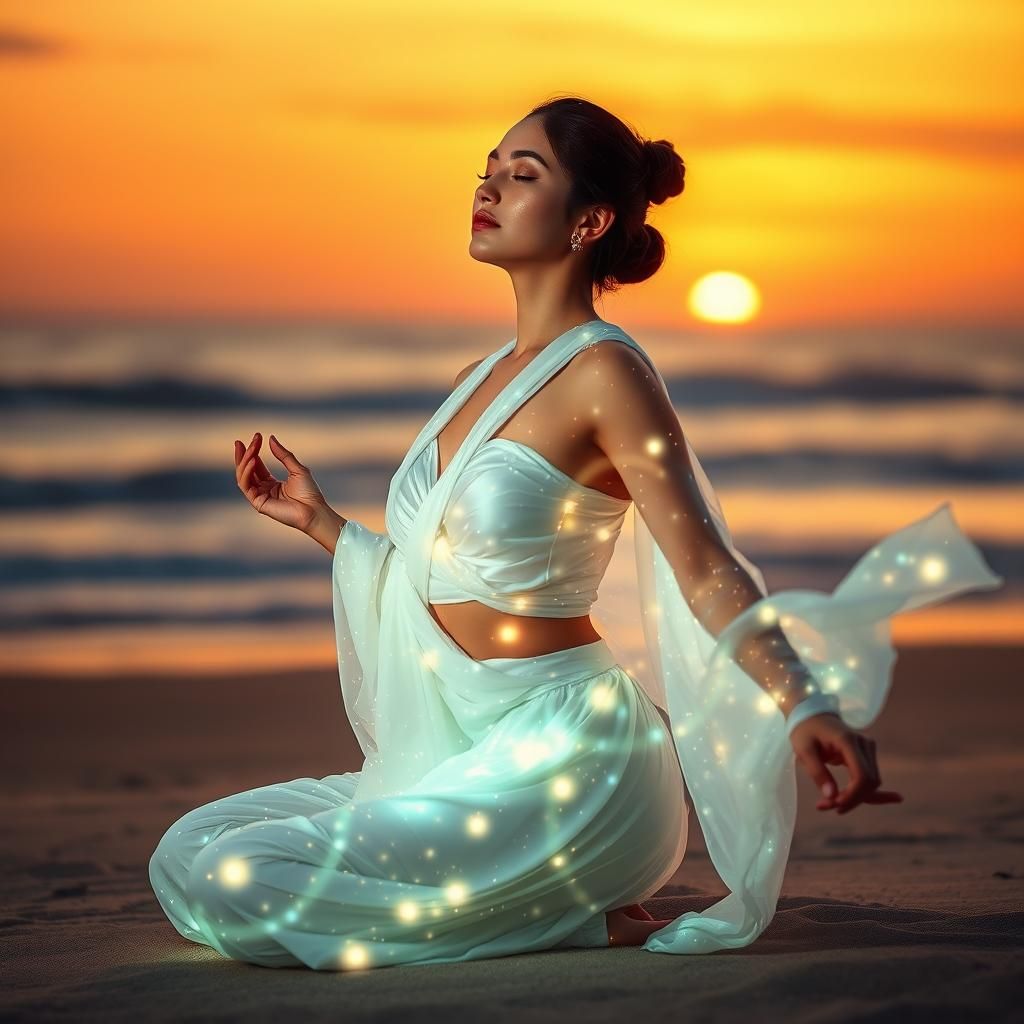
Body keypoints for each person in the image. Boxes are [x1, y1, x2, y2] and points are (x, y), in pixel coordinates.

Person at [149, 96, 1003, 970]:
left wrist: (803, 701)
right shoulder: (477, 376)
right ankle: (537, 909)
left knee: (236, 880)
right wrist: (323, 524)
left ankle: (572, 916)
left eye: (523, 175)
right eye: (486, 170)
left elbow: (705, 566)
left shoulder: (608, 374)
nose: (488, 190)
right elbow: (441, 572)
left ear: (589, 221)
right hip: (458, 750)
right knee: (186, 852)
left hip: (572, 763)